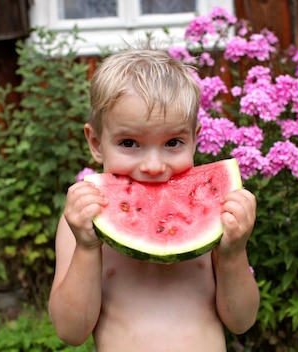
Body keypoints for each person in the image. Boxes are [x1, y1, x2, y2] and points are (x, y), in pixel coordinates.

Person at [48, 46, 259, 352]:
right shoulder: (80, 224)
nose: (153, 166)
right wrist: (86, 248)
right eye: (129, 143)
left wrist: (233, 253)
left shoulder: (216, 216)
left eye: (173, 142)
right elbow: (71, 331)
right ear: (96, 142)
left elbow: (241, 321)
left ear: (195, 139)